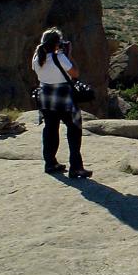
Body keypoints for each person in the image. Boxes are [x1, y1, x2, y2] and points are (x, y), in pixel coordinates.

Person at [32, 27, 92, 178]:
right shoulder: (60, 58)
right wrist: (69, 55)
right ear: (58, 43)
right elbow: (75, 73)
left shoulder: (37, 58)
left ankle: (50, 163)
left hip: (45, 97)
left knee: (50, 129)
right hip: (64, 98)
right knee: (74, 131)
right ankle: (76, 167)